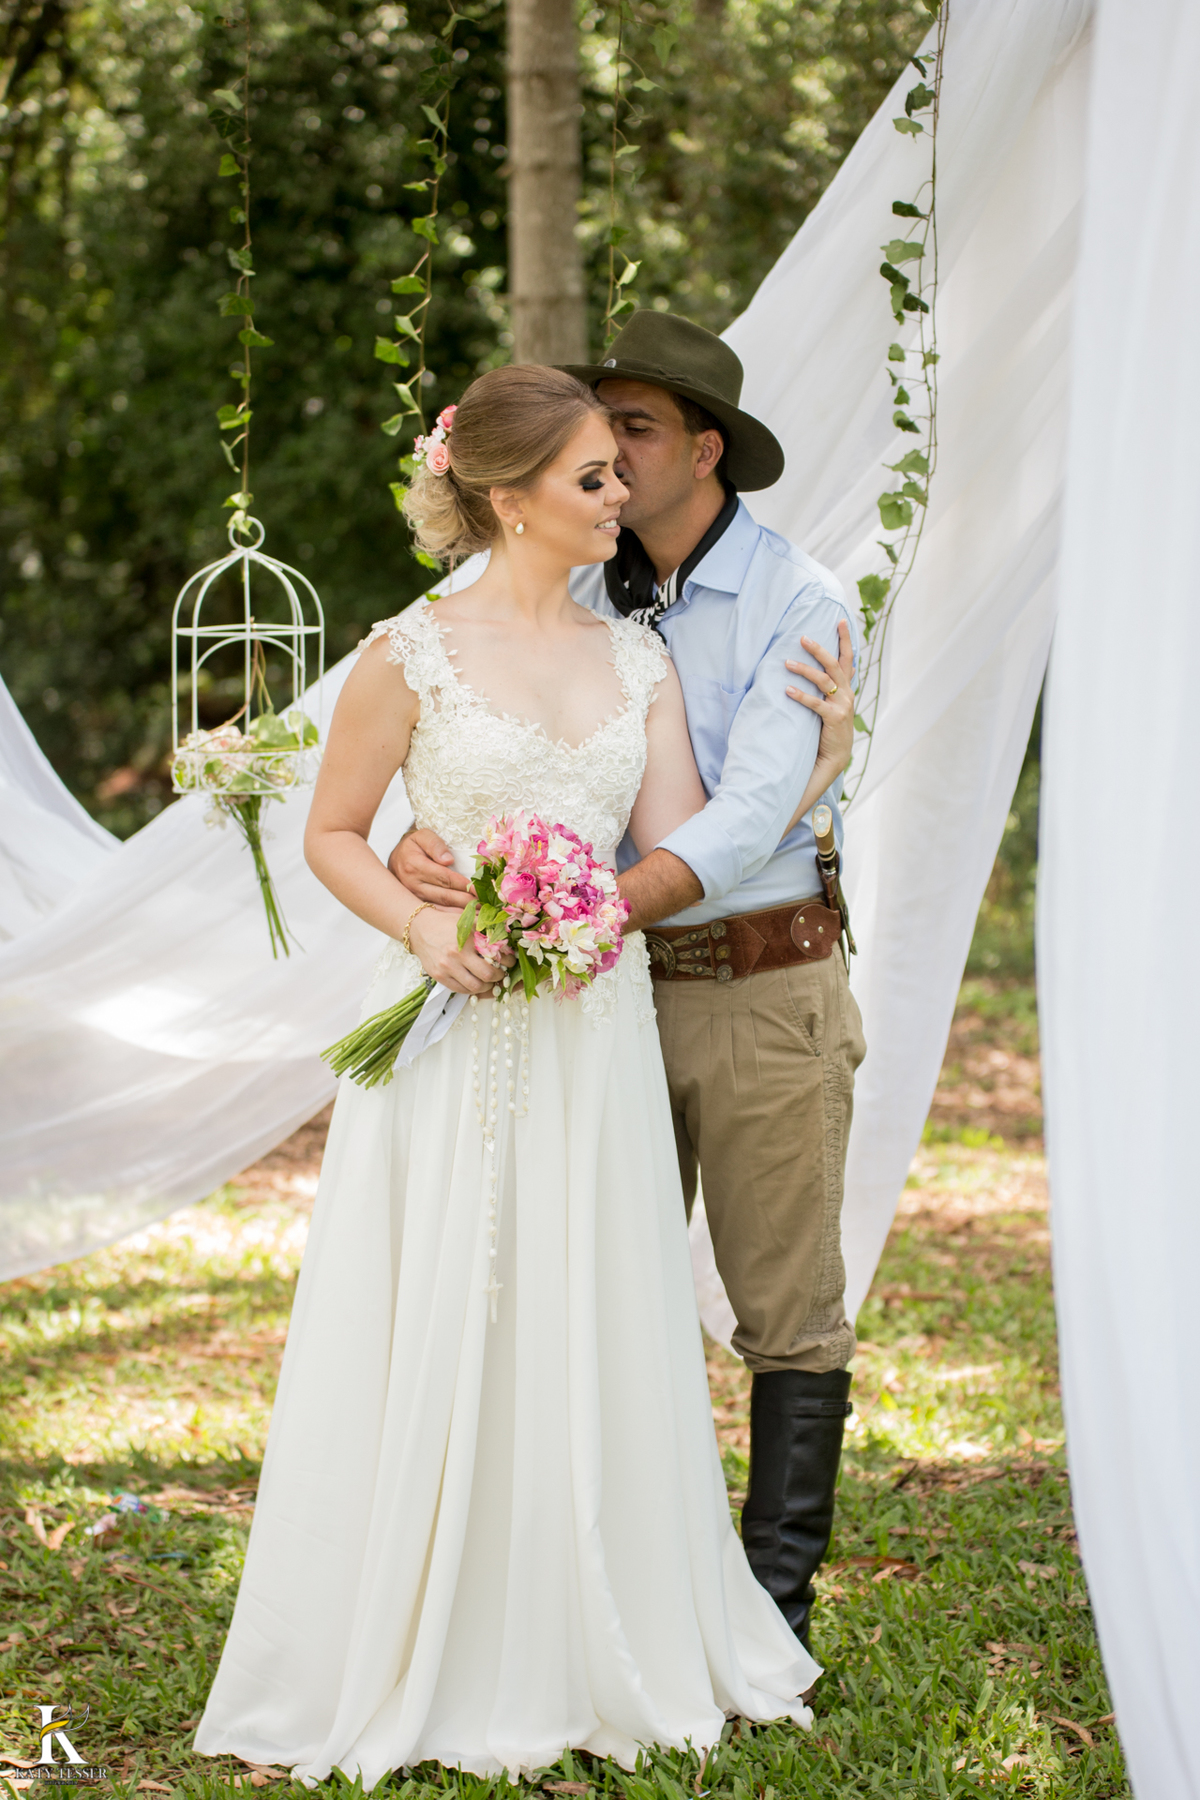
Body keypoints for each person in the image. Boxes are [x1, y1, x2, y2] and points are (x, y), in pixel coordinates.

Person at [195, 364, 849, 1786]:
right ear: (507, 497)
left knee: (583, 1296)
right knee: (451, 1293)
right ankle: (421, 1624)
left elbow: (680, 843)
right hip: (448, 1023)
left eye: (621, 469)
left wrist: (818, 771)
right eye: (592, 477)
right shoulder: (408, 653)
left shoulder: (637, 662)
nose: (620, 495)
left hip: (590, 1032)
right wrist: (424, 919)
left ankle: (580, 1619)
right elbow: (334, 833)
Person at [394, 313, 866, 1658]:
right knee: (586, 1282)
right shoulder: (580, 587)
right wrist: (436, 840)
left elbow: (753, 810)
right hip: (593, 1005)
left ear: (704, 451)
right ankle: (590, 1600)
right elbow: (521, 752)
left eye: (636, 431)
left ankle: (770, 1611)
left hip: (762, 986)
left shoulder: (798, 602)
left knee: (784, 1312)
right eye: (597, 439)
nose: (609, 458)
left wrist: (598, 902)